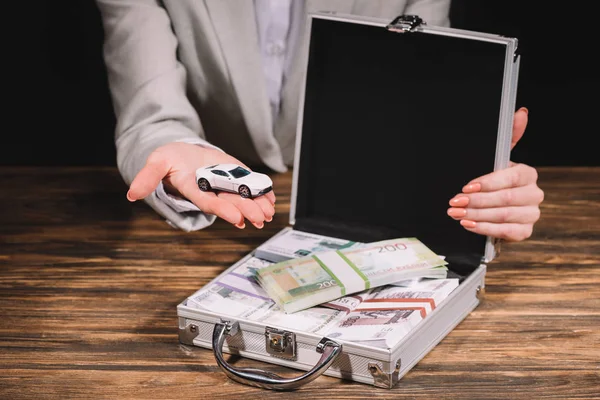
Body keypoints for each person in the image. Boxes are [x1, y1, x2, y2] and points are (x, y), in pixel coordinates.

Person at [95, 0, 543, 242]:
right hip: (210, 228)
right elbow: (150, 114)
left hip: (353, 200)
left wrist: (479, 185)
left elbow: (419, 113)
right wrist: (179, 155)